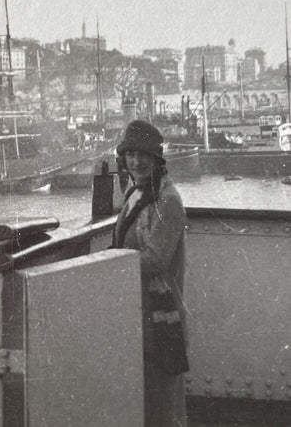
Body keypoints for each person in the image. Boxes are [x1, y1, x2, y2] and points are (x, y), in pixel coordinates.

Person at [114, 120, 188, 427]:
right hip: (141, 314)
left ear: (157, 159)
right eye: (130, 154)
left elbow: (156, 260)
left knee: (162, 405)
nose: (136, 161)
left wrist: (110, 265)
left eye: (143, 155)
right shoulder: (136, 192)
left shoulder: (168, 201)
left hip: (161, 319)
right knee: (145, 400)